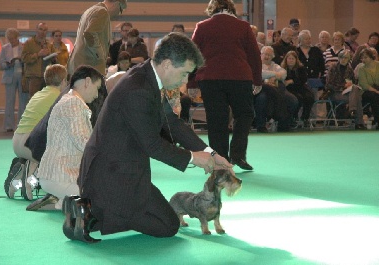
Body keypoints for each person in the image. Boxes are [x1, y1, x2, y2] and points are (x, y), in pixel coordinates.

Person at [62, 33, 233, 243]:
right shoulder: (138, 89)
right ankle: (89, 212)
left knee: (168, 221)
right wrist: (193, 158)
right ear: (168, 64)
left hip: (127, 170)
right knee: (167, 226)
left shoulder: (147, 78)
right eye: (184, 73)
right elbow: (152, 145)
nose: (185, 81)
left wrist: (211, 154)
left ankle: (93, 211)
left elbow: (172, 124)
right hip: (111, 176)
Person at [192, 0, 261, 170]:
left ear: (211, 9)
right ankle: (238, 155)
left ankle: (219, 160)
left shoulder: (202, 26)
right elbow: (254, 55)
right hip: (239, 78)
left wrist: (191, 82)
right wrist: (257, 80)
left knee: (216, 120)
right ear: (232, 9)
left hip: (210, 78)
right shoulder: (244, 26)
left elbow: (192, 55)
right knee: (244, 115)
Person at [26, 65, 104, 211]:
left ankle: (59, 202)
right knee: (102, 197)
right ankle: (63, 201)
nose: (97, 94)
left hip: (59, 174)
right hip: (61, 175)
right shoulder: (74, 103)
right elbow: (83, 141)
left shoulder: (69, 100)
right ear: (87, 82)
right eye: (97, 87)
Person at [6, 64, 67, 200]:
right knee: (59, 157)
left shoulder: (38, 94)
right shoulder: (60, 98)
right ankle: (29, 179)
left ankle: (17, 181)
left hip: (16, 141)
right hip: (30, 145)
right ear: (64, 81)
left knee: (41, 152)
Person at [67, 0, 127, 76]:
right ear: (116, 3)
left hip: (79, 64)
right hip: (89, 66)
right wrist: (100, 56)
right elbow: (90, 34)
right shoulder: (102, 12)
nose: (119, 13)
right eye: (120, 10)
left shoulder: (90, 10)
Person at [324, 50, 365, 129]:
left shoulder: (349, 69)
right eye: (342, 57)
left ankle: (353, 110)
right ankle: (358, 122)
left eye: (346, 58)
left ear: (348, 59)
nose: (343, 59)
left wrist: (350, 85)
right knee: (357, 99)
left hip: (348, 93)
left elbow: (354, 81)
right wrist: (343, 86)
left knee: (355, 89)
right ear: (339, 58)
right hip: (334, 93)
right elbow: (329, 84)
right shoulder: (333, 67)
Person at [0, 28, 28, 132]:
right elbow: (1, 63)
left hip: (22, 75)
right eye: (9, 38)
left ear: (17, 37)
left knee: (23, 101)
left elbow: (28, 61)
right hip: (9, 75)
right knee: (9, 101)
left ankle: (22, 124)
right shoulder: (4, 48)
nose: (11, 40)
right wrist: (8, 64)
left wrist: (21, 60)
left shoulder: (24, 47)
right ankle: (8, 125)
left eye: (13, 38)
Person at [21, 22, 56, 98]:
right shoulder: (29, 43)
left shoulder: (49, 44)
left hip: (46, 76)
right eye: (41, 29)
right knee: (34, 99)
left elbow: (54, 60)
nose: (43, 32)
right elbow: (24, 58)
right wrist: (38, 54)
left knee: (45, 99)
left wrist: (51, 56)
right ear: (36, 30)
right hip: (34, 76)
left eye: (45, 30)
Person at [281, 51, 315, 124]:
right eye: (289, 58)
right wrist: (290, 82)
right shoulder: (282, 69)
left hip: (300, 87)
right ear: (286, 59)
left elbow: (303, 80)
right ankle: (294, 117)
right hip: (289, 89)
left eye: (292, 59)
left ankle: (305, 118)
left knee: (309, 97)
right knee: (297, 99)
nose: (291, 60)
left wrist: (292, 81)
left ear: (296, 60)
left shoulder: (301, 68)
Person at [358, 48, 379, 127]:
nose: (363, 60)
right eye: (362, 58)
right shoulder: (362, 69)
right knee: (375, 96)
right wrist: (376, 91)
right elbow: (364, 84)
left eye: (365, 57)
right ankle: (377, 120)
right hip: (367, 91)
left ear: (371, 57)